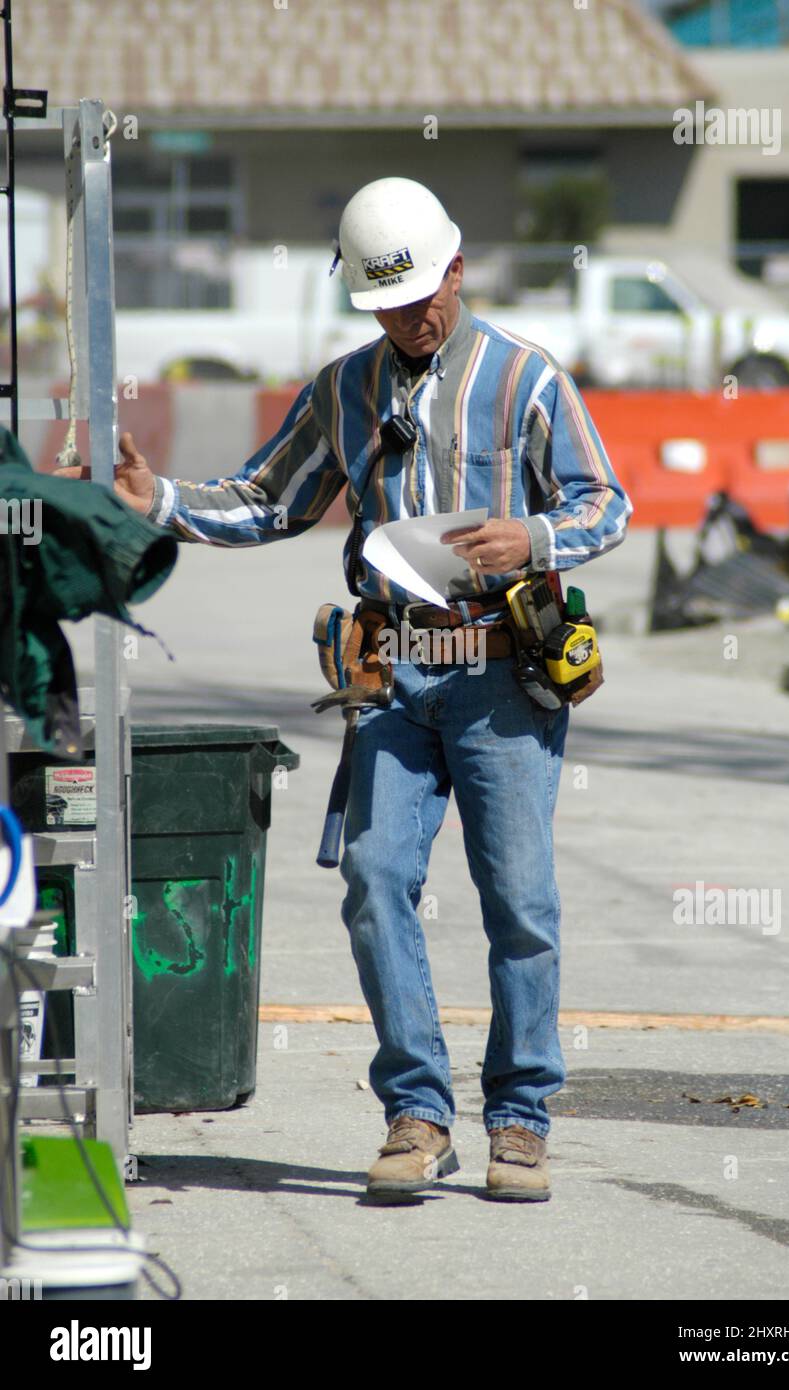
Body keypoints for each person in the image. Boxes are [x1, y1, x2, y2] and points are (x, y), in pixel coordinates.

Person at [63, 177, 632, 1202]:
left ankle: (520, 1121)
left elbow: (607, 502)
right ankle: (417, 1111)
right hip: (398, 675)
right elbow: (269, 499)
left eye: (423, 295)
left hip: (504, 674)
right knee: (373, 880)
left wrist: (534, 537)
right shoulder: (344, 390)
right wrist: (164, 504)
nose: (411, 318)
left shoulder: (527, 380)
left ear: (458, 269)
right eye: (387, 303)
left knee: (520, 903)